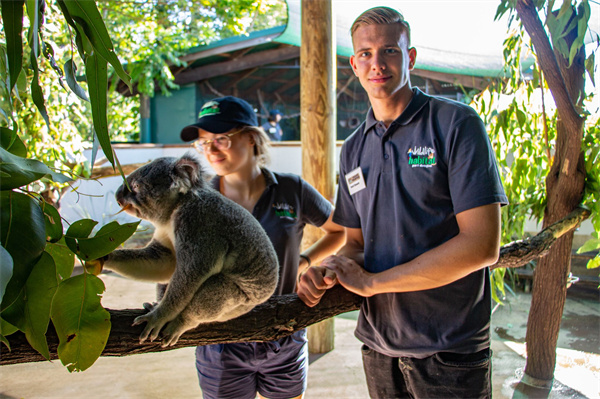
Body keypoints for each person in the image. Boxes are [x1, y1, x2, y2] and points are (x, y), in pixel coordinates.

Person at [297, 7, 508, 399]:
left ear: (409, 57)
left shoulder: (455, 124)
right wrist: (330, 267)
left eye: (389, 51)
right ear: (354, 64)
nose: (377, 63)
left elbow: (482, 245)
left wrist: (373, 283)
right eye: (365, 54)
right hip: (379, 347)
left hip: (450, 348)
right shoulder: (354, 149)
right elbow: (357, 245)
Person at [180, 96, 345, 399]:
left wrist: (306, 262)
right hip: (220, 344)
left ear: (252, 138)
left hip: (284, 334)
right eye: (203, 143)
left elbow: (339, 231)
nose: (211, 150)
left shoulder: (291, 190)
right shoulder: (197, 200)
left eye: (221, 139)